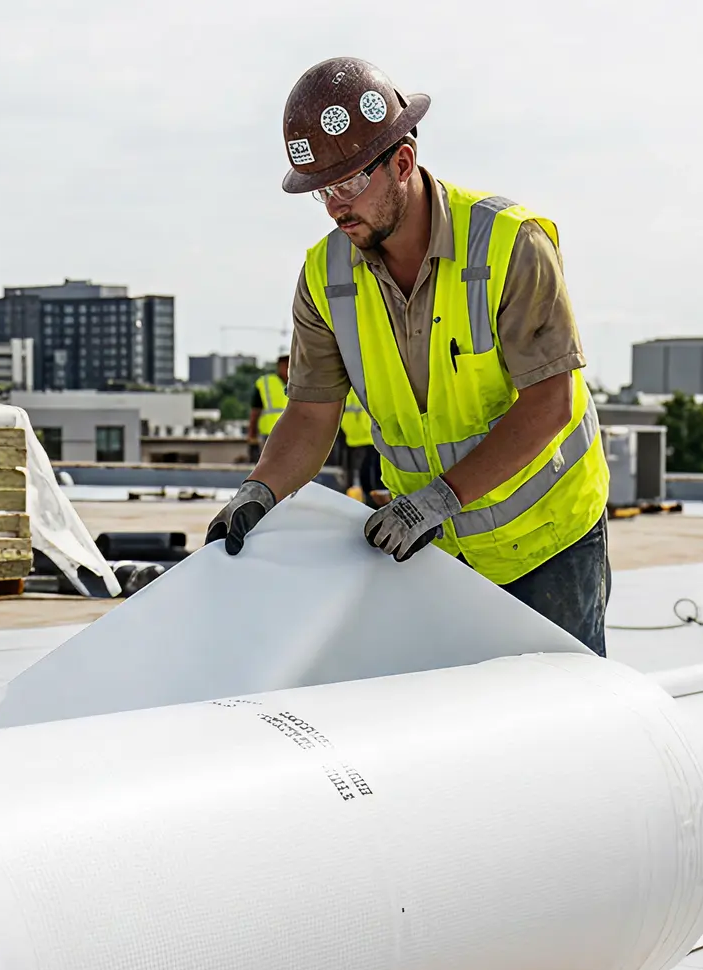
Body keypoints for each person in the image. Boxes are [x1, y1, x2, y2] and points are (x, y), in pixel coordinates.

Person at [207, 56, 610, 655]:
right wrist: (259, 491)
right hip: (431, 548)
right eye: (321, 192)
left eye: (347, 185)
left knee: (560, 729)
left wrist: (440, 498)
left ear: (402, 161)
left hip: (548, 542)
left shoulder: (508, 245)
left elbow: (551, 402)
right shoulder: (325, 276)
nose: (335, 207)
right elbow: (313, 413)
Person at [247, 352, 290, 459]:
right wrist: (252, 439)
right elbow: (255, 412)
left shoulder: (301, 384)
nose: (288, 369)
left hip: (295, 435)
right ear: (279, 366)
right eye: (286, 365)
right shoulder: (265, 383)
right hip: (270, 436)